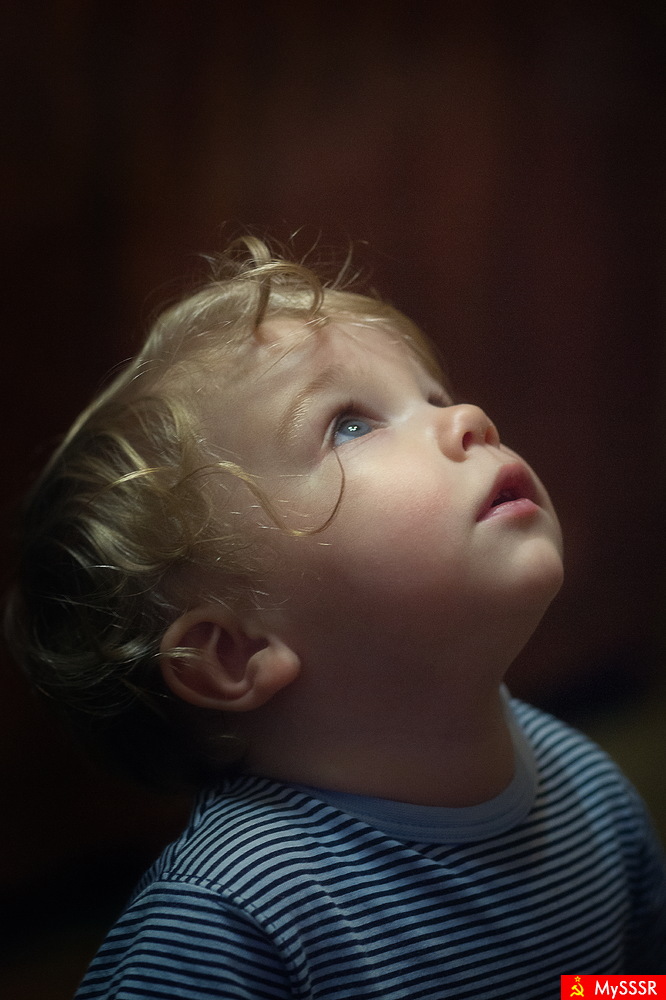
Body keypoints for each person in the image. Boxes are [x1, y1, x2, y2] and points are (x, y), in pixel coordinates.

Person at [6, 237, 666, 998]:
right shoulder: (234, 921)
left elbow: (617, 986)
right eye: (350, 425)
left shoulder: (586, 786)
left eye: (436, 397)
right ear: (233, 652)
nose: (469, 419)